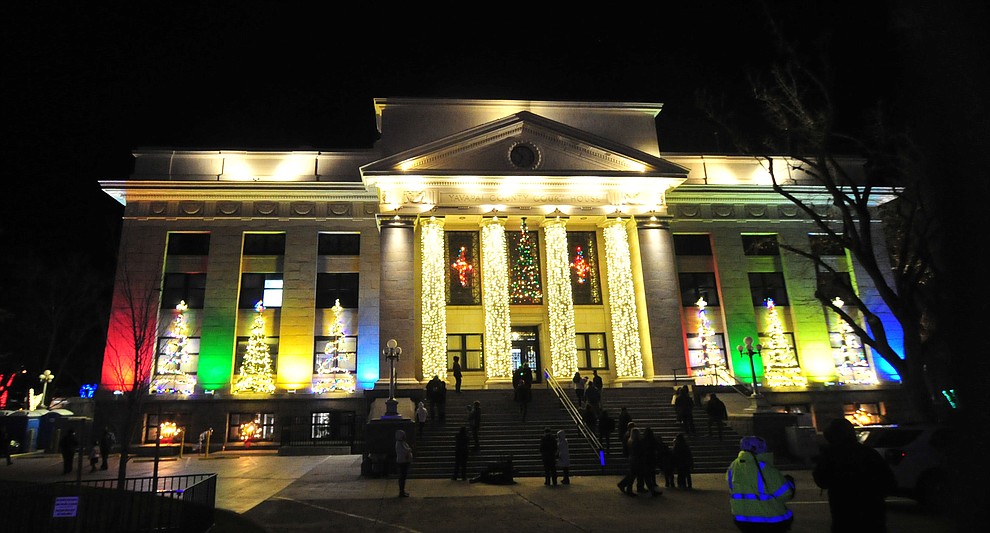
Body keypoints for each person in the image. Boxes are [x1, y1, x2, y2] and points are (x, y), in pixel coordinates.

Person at [813, 418, 896, 532]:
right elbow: (889, 482)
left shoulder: (831, 455)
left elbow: (821, 480)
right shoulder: (869, 453)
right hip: (872, 514)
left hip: (844, 514)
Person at [727, 435, 796, 532]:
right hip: (769, 519)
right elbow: (785, 494)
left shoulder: (733, 466)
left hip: (742, 519)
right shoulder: (765, 468)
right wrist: (790, 483)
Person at [617, 427, 642, 496]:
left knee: (632, 474)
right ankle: (627, 488)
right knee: (632, 475)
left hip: (631, 458)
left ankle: (623, 485)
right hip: (635, 459)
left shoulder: (630, 440)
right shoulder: (636, 441)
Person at [639, 428, 662, 496]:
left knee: (646, 476)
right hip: (651, 459)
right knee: (648, 475)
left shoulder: (642, 440)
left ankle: (646, 488)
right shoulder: (653, 440)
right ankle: (652, 490)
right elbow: (658, 447)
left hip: (644, 459)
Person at [394, 429, 412, 497]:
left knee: (403, 477)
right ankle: (401, 491)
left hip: (404, 461)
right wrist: (409, 450)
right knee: (402, 477)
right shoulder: (399, 443)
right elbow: (405, 451)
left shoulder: (401, 443)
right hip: (402, 462)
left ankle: (402, 491)